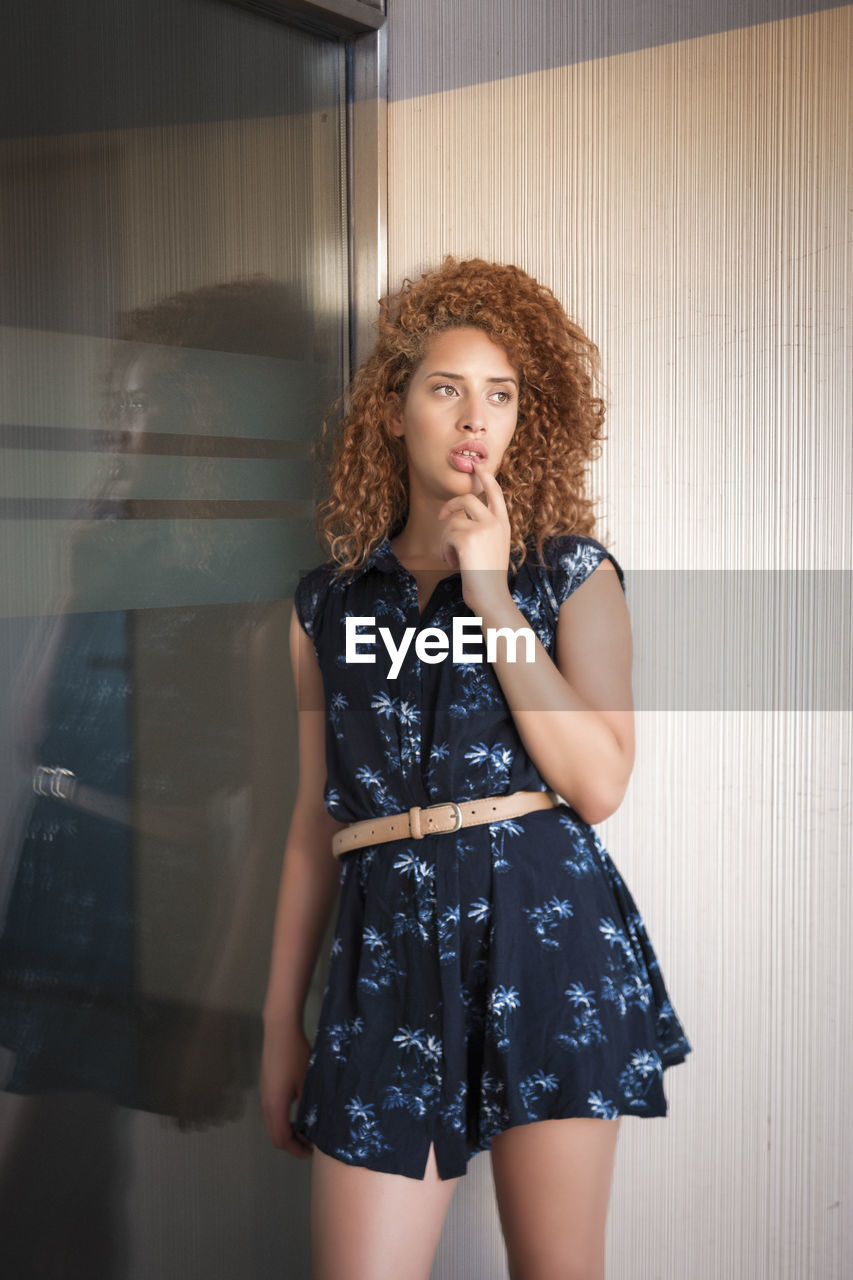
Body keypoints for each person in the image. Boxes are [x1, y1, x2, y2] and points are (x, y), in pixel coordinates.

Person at [260, 257, 691, 1279]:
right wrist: (280, 1019)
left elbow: (598, 782)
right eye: (446, 386)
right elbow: (311, 822)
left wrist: (493, 596)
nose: (473, 416)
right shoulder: (323, 605)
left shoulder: (567, 576)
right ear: (393, 411)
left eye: (499, 393)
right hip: (381, 960)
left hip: (546, 945)